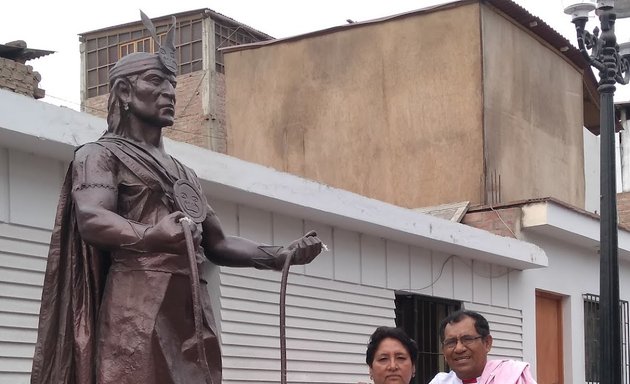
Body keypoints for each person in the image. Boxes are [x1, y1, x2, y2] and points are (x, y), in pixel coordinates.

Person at [30, 12, 322, 384]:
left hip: (190, 308)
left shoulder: (185, 172)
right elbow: (93, 219)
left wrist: (279, 255)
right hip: (136, 307)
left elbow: (217, 243)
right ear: (123, 91)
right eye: (156, 81)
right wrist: (152, 236)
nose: (170, 92)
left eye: (172, 84)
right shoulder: (99, 155)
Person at [429, 310, 537, 384]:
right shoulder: (440, 382)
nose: (459, 348)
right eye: (451, 342)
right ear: (443, 350)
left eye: (467, 339)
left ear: (487, 343)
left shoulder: (513, 377)